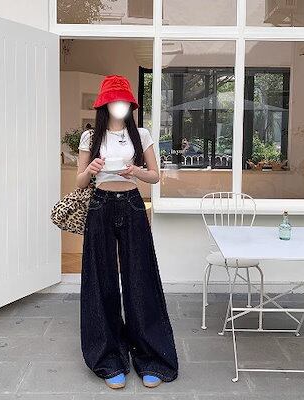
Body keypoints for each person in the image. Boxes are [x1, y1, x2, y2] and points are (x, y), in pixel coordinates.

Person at [76, 75, 179, 390]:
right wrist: (91, 170)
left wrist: (135, 171)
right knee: (101, 278)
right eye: (113, 100)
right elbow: (79, 182)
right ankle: (109, 357)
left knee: (140, 278)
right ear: (104, 104)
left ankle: (151, 357)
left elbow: (155, 176)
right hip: (100, 206)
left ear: (130, 105)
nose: (118, 106)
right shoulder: (90, 136)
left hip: (133, 205)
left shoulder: (141, 134)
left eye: (123, 101)